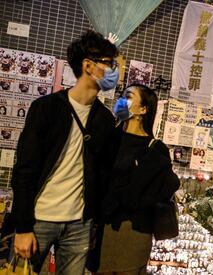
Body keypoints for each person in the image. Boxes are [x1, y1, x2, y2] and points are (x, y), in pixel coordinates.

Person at [9, 30, 118, 275]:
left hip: (79, 223)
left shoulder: (104, 120)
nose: (114, 71)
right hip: (39, 218)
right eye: (109, 64)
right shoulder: (46, 108)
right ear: (88, 66)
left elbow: (102, 175)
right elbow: (24, 170)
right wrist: (23, 226)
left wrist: (94, 221)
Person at [95, 84, 180, 275]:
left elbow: (159, 190)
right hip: (99, 230)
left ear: (143, 109)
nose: (121, 100)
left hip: (132, 233)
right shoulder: (108, 139)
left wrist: (123, 195)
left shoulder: (155, 149)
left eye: (129, 96)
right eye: (121, 96)